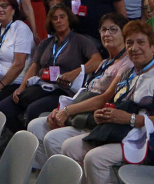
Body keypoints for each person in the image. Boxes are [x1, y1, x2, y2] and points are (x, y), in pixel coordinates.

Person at [61, 20, 154, 184]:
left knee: (94, 159)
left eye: (141, 42)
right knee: (69, 147)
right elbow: (112, 104)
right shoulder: (129, 71)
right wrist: (104, 115)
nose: (134, 48)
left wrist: (128, 119)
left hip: (151, 138)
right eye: (129, 43)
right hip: (123, 130)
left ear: (153, 47)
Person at [27, 13, 133, 170]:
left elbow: (103, 98)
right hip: (82, 109)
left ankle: (71, 176)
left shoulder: (127, 64)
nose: (107, 34)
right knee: (35, 126)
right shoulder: (104, 62)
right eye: (103, 30)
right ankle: (48, 173)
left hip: (95, 117)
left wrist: (68, 111)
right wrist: (60, 110)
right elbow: (85, 91)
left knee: (52, 139)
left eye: (113, 30)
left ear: (124, 34)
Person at [0, 3, 102, 132]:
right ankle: (20, 136)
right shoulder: (45, 43)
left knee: (33, 110)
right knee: (3, 107)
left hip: (62, 89)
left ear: (69, 19)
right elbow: (34, 67)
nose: (59, 21)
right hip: (41, 86)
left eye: (62, 17)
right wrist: (22, 87)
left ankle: (31, 143)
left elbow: (97, 61)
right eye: (55, 18)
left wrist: (75, 72)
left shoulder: (80, 40)